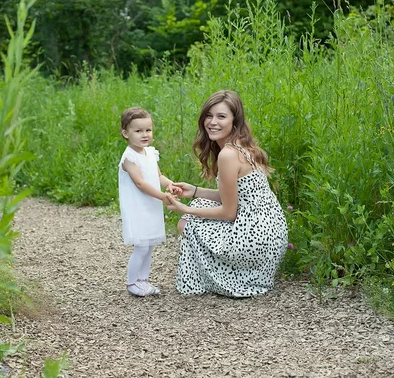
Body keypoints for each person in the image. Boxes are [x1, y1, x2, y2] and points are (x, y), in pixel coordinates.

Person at [165, 90, 288, 298]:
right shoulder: (243, 146)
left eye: (221, 116)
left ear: (235, 121)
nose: (213, 122)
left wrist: (184, 208)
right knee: (201, 204)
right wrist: (194, 191)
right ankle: (238, 274)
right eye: (209, 115)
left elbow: (229, 212)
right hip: (272, 234)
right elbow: (234, 196)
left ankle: (222, 280)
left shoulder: (228, 155)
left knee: (186, 222)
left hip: (255, 238)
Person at [118, 107, 180, 297]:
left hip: (150, 205)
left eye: (148, 130)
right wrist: (163, 196)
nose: (145, 135)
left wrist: (170, 185)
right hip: (138, 206)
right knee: (142, 245)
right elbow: (140, 182)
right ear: (125, 133)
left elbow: (157, 176)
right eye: (138, 131)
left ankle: (143, 280)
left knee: (149, 244)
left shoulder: (150, 153)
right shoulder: (129, 157)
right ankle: (131, 282)